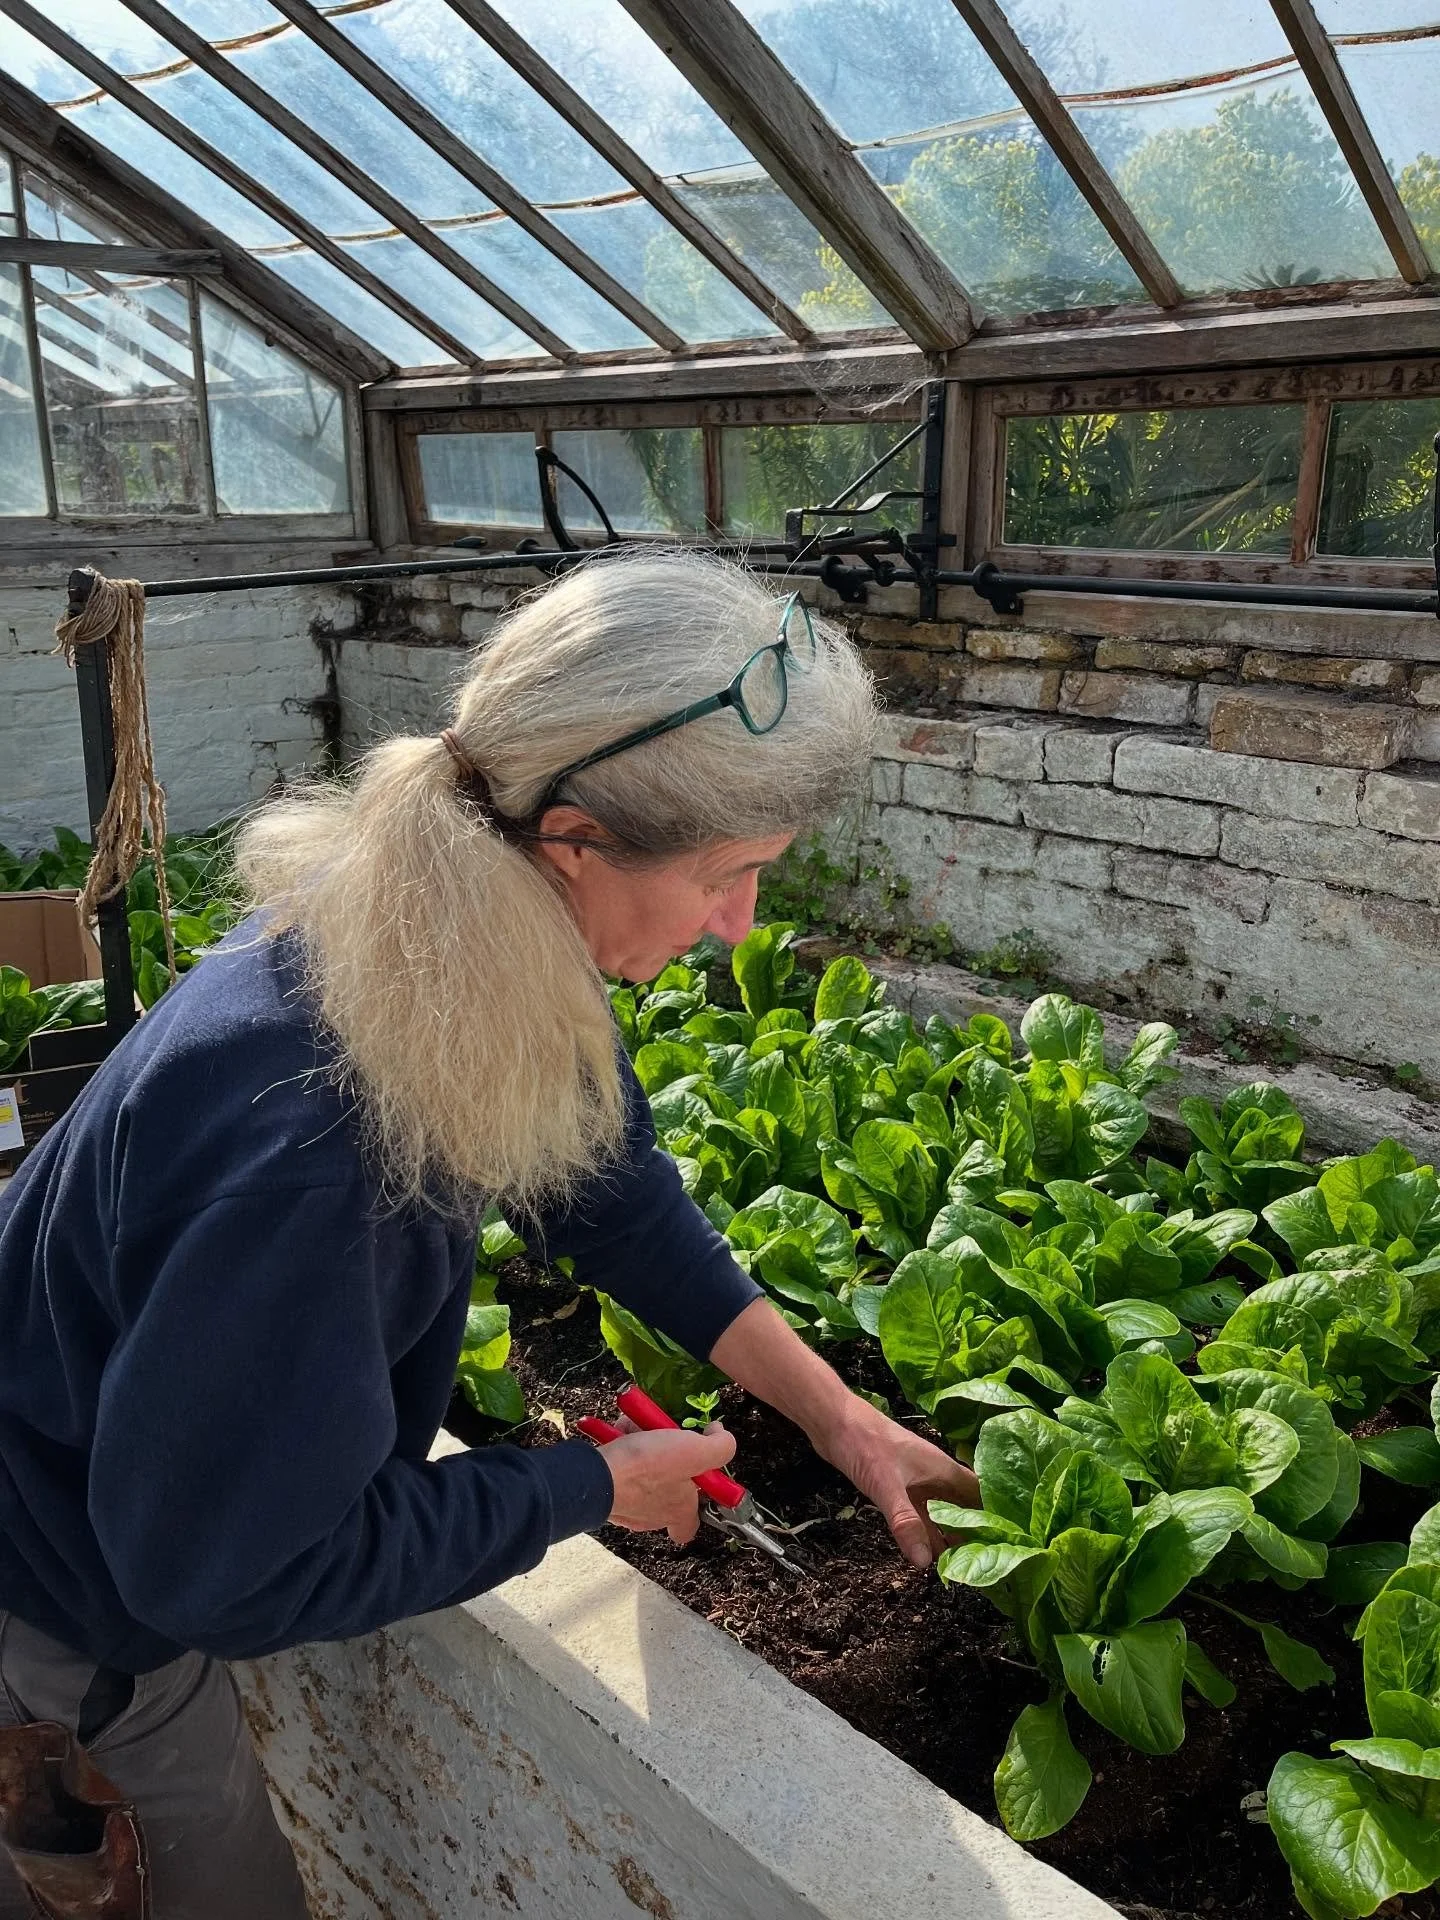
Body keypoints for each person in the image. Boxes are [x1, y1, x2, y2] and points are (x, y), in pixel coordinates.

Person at [0, 551, 976, 1918]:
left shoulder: (446, 926)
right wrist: (588, 1489)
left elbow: (611, 1195)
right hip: (54, 1611)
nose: (740, 925)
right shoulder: (330, 1152)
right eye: (729, 876)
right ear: (575, 836)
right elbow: (232, 1576)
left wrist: (841, 1420)